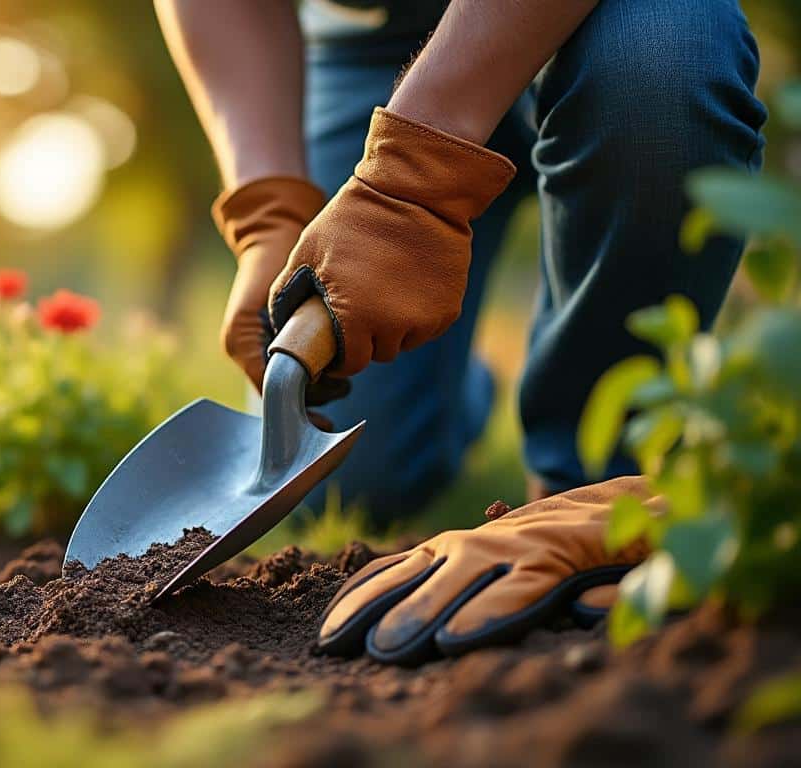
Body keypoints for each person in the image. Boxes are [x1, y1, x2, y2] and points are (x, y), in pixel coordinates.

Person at [156, 0, 766, 663]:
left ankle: (594, 476)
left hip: (617, 22)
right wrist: (267, 212)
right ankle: (456, 388)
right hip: (369, 43)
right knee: (347, 485)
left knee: (661, 70)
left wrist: (409, 179)